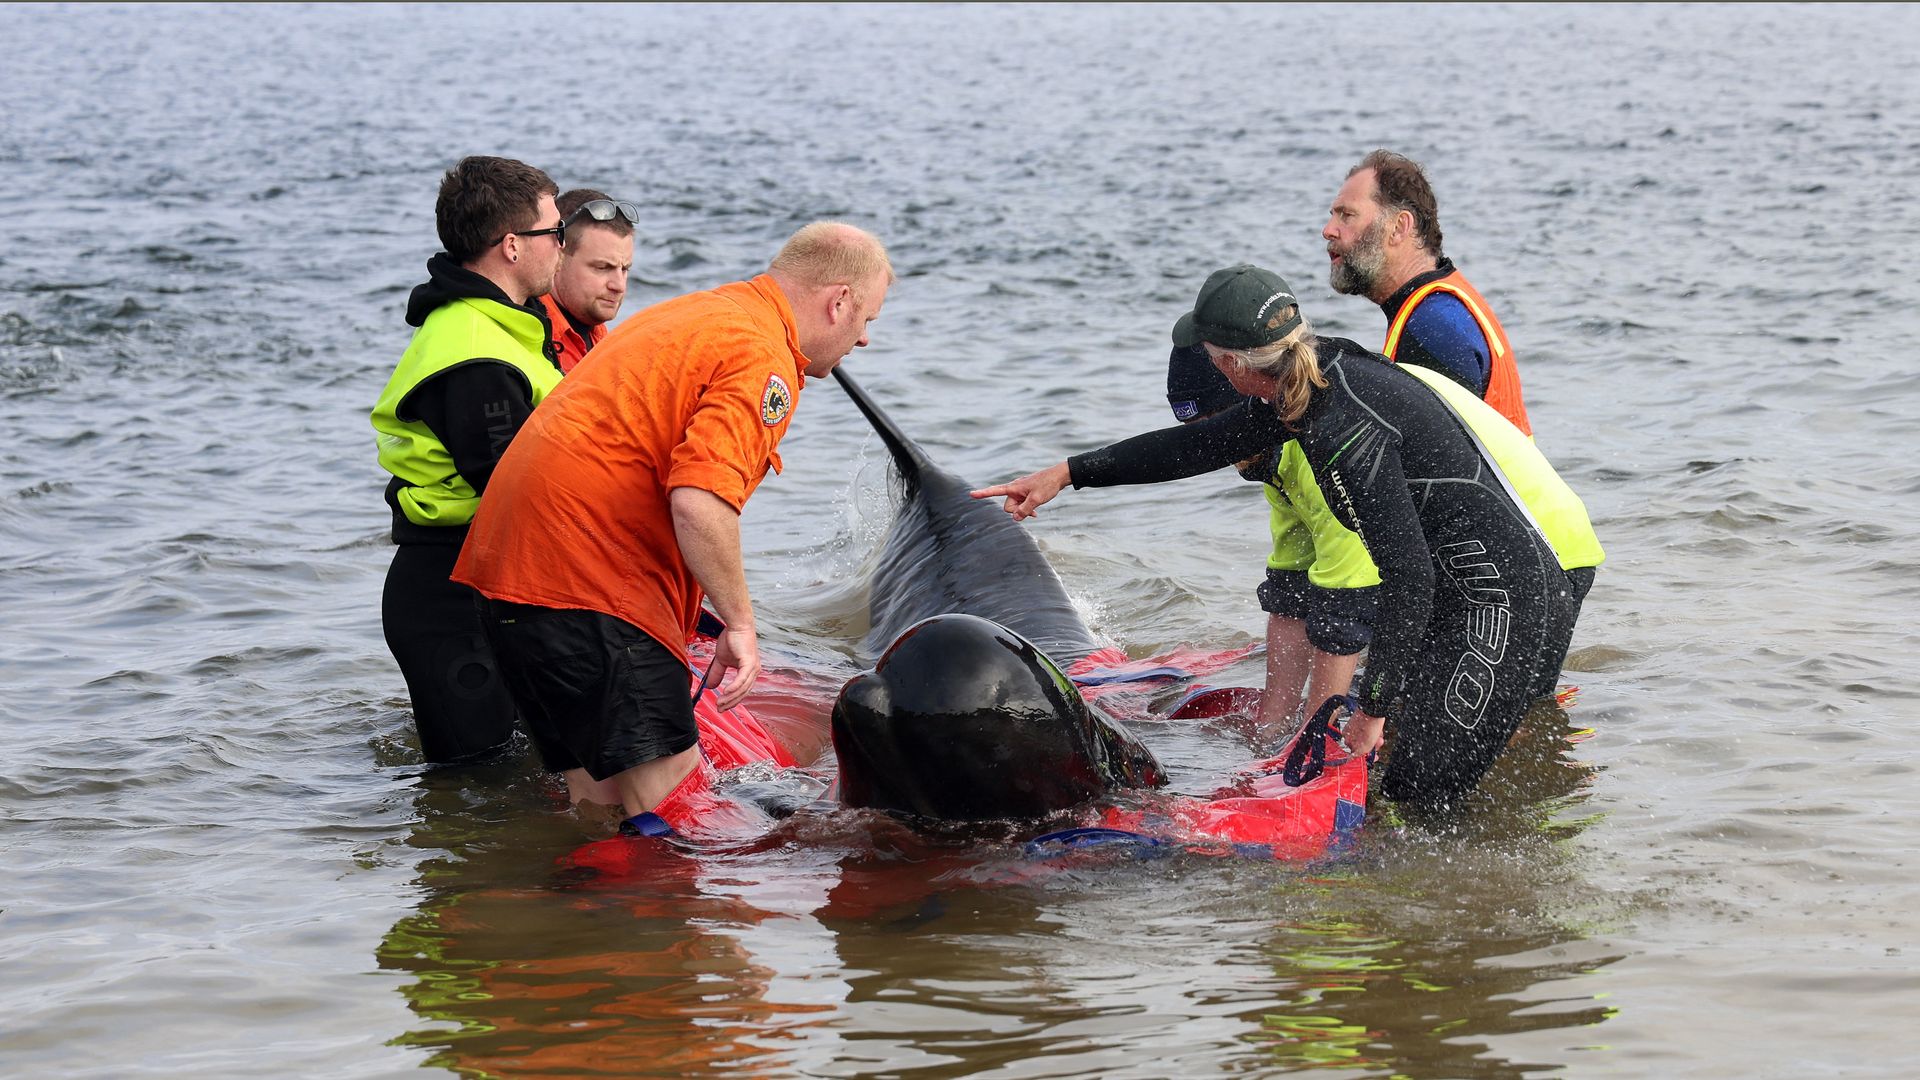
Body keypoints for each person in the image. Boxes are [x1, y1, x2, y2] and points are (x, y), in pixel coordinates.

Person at [975, 264, 1603, 810]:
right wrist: (1067, 474)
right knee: (1404, 779)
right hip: (1467, 589)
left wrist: (1369, 711)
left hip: (1501, 598)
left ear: (1229, 364)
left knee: (1417, 797)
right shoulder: (1310, 383)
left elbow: (1407, 578)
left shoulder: (1343, 431)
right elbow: (1192, 448)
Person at [451, 222, 894, 828]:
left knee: (601, 802)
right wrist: (740, 623)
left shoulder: (700, 314)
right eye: (867, 318)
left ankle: (574, 889)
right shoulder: (760, 352)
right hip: (591, 590)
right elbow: (700, 500)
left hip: (507, 587)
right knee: (680, 818)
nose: (864, 337)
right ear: (838, 300)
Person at [369, 155, 566, 764]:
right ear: (512, 245)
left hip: (483, 586)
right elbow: (516, 491)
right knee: (476, 786)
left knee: (517, 778)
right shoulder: (476, 353)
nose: (562, 246)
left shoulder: (497, 325)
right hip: (452, 600)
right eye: (556, 232)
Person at [1166, 344, 1379, 734]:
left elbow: (1344, 608)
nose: (1214, 445)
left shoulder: (1320, 449)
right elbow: (1290, 594)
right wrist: (1271, 729)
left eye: (1215, 423)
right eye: (1195, 429)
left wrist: (1313, 736)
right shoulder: (1277, 459)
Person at [1324, 149, 1533, 434]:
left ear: (1399, 227)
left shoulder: (1433, 327)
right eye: (1333, 216)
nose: (1328, 230)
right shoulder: (1438, 305)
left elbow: (1443, 457)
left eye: (1346, 215)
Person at [536, 189, 637, 372]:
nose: (619, 286)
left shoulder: (598, 333)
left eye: (624, 269)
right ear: (558, 257)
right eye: (602, 268)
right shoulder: (534, 338)